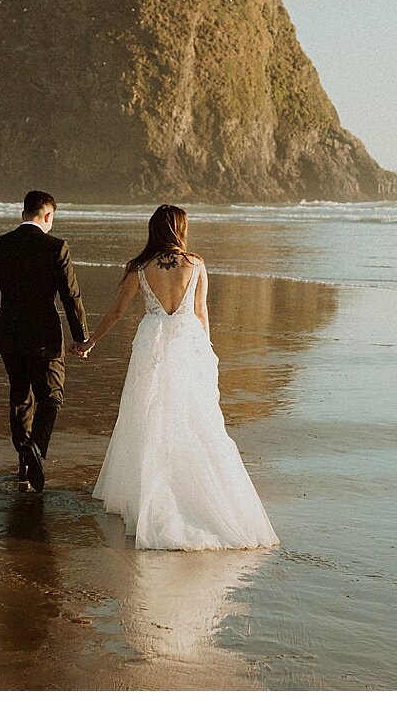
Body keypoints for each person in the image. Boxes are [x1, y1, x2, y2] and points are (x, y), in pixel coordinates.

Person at [73, 205, 278, 550]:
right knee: (191, 418)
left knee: (148, 417)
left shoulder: (139, 267)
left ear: (153, 230)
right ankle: (193, 493)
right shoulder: (195, 264)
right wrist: (207, 351)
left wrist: (91, 340)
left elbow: (119, 310)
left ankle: (147, 496)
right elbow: (201, 312)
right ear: (180, 229)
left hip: (151, 342)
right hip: (186, 342)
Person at [0, 190, 88, 492]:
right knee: (51, 397)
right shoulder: (56, 247)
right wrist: (81, 337)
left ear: (24, 213)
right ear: (48, 215)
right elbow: (70, 296)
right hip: (45, 335)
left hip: (9, 334)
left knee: (21, 396)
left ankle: (24, 466)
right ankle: (35, 447)